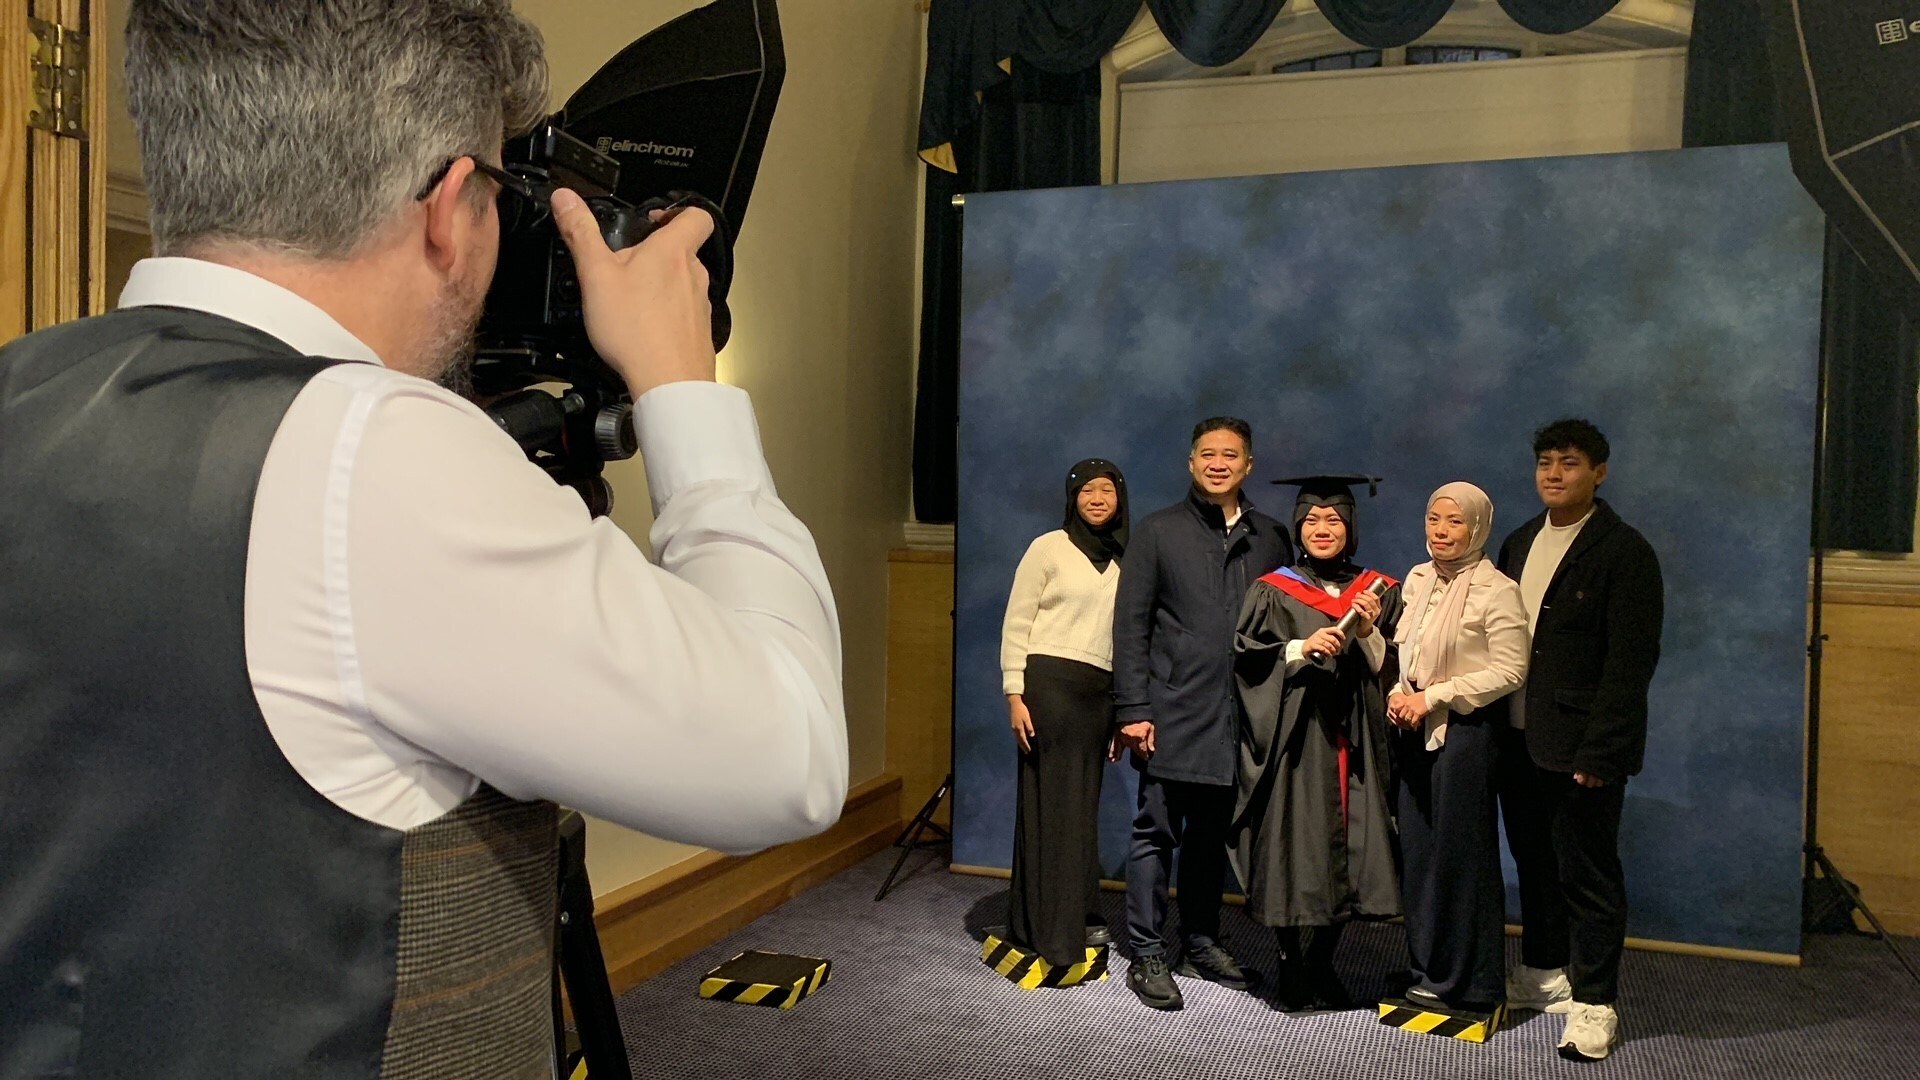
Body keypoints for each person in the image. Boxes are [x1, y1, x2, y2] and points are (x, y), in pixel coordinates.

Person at [0, 3, 848, 1075]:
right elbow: (791, 758)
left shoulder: (22, 389)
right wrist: (682, 386)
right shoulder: (374, 452)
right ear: (452, 208)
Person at [1492, 419, 1663, 1063]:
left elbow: (1631, 663)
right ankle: (1544, 971)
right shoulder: (1518, 541)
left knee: (1586, 873)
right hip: (1516, 739)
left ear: (1600, 472)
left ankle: (1595, 1002)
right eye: (1544, 463)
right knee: (1533, 861)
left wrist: (1602, 752)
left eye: (1569, 463)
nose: (1554, 474)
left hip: (1580, 748)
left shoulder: (1624, 551)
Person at [1112, 417, 1292, 1011]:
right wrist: (1134, 707)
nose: (1219, 463)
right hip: (1170, 710)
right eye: (1207, 454)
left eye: (1231, 454)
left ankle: (1199, 940)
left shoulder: (1271, 537)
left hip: (1240, 716)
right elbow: (1131, 626)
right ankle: (1146, 950)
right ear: (1191, 463)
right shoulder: (1158, 532)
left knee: (1213, 837)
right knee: (1156, 832)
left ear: (1249, 465)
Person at [1231, 475, 1403, 1011]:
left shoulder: (1379, 591)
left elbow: (1394, 668)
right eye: (1311, 520)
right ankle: (1290, 962)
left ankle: (1323, 960)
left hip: (1354, 740)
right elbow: (1246, 658)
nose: (1322, 529)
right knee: (1290, 851)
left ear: (1350, 528)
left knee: (1355, 852)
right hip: (1297, 740)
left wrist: (1370, 632)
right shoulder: (1272, 588)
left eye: (1333, 520)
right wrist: (1301, 648)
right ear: (1299, 528)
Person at [1386, 482, 1528, 1015]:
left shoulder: (1496, 589)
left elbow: (1511, 669)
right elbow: (1409, 650)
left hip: (1466, 736)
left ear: (1478, 529)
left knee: (1460, 857)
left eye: (1454, 523)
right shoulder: (1418, 580)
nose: (1441, 532)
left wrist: (1435, 697)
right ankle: (1430, 967)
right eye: (1434, 519)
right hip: (1415, 729)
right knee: (1419, 853)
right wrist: (1403, 693)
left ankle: (1470, 980)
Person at [1000, 458, 1130, 970]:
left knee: (1081, 808)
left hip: (1100, 692)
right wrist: (1015, 693)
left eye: (1108, 491)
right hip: (1048, 687)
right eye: (1087, 491)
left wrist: (1123, 710)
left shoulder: (1126, 559)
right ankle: (1051, 936)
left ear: (1121, 498)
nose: (1097, 499)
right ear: (1072, 497)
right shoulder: (1047, 548)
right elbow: (1017, 622)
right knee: (1052, 806)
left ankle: (1068, 915)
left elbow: (1127, 640)